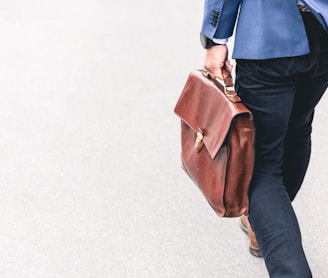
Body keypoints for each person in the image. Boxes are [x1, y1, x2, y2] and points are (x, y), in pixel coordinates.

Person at [200, 0, 328, 277]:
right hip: (323, 35)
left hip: (268, 35)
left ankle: (281, 251)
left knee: (261, 164)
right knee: (298, 129)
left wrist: (215, 37)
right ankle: (264, 222)